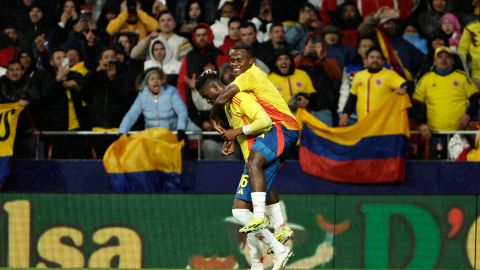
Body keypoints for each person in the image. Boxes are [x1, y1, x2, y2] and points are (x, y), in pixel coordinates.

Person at [196, 73, 293, 270]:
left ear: (216, 88)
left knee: (240, 211)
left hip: (261, 156)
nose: (208, 102)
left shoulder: (240, 97)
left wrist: (235, 133)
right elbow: (244, 131)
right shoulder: (229, 106)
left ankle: (278, 248)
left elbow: (264, 121)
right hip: (253, 158)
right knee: (248, 214)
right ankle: (257, 264)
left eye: (207, 97)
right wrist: (232, 140)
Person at [209, 45, 298, 250]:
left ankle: (259, 218)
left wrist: (212, 116)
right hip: (282, 128)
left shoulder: (248, 76)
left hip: (282, 126)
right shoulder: (249, 79)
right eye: (232, 61)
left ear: (251, 61)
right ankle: (281, 227)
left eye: (240, 60)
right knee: (262, 176)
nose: (235, 64)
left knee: (254, 163)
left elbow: (222, 97)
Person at [413, 46, 479, 159]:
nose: (443, 60)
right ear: (434, 61)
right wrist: (422, 124)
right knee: (437, 168)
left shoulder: (462, 77)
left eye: (447, 57)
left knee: (461, 167)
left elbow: (475, 98)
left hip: (460, 134)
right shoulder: (426, 79)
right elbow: (416, 104)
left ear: (452, 61)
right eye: (440, 57)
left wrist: (468, 115)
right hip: (436, 133)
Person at [339, 47, 408, 126]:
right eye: (372, 57)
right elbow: (353, 97)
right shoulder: (359, 76)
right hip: (362, 123)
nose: (375, 60)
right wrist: (346, 113)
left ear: (382, 62)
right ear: (366, 61)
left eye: (378, 58)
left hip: (383, 124)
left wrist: (404, 88)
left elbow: (405, 84)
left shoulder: (390, 74)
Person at [118, 68, 187, 144]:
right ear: (147, 83)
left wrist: (181, 129)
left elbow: (182, 111)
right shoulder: (142, 96)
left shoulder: (171, 92)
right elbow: (131, 115)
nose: (155, 81)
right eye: (152, 79)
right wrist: (122, 132)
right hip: (151, 137)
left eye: (158, 78)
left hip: (169, 135)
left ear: (162, 81)